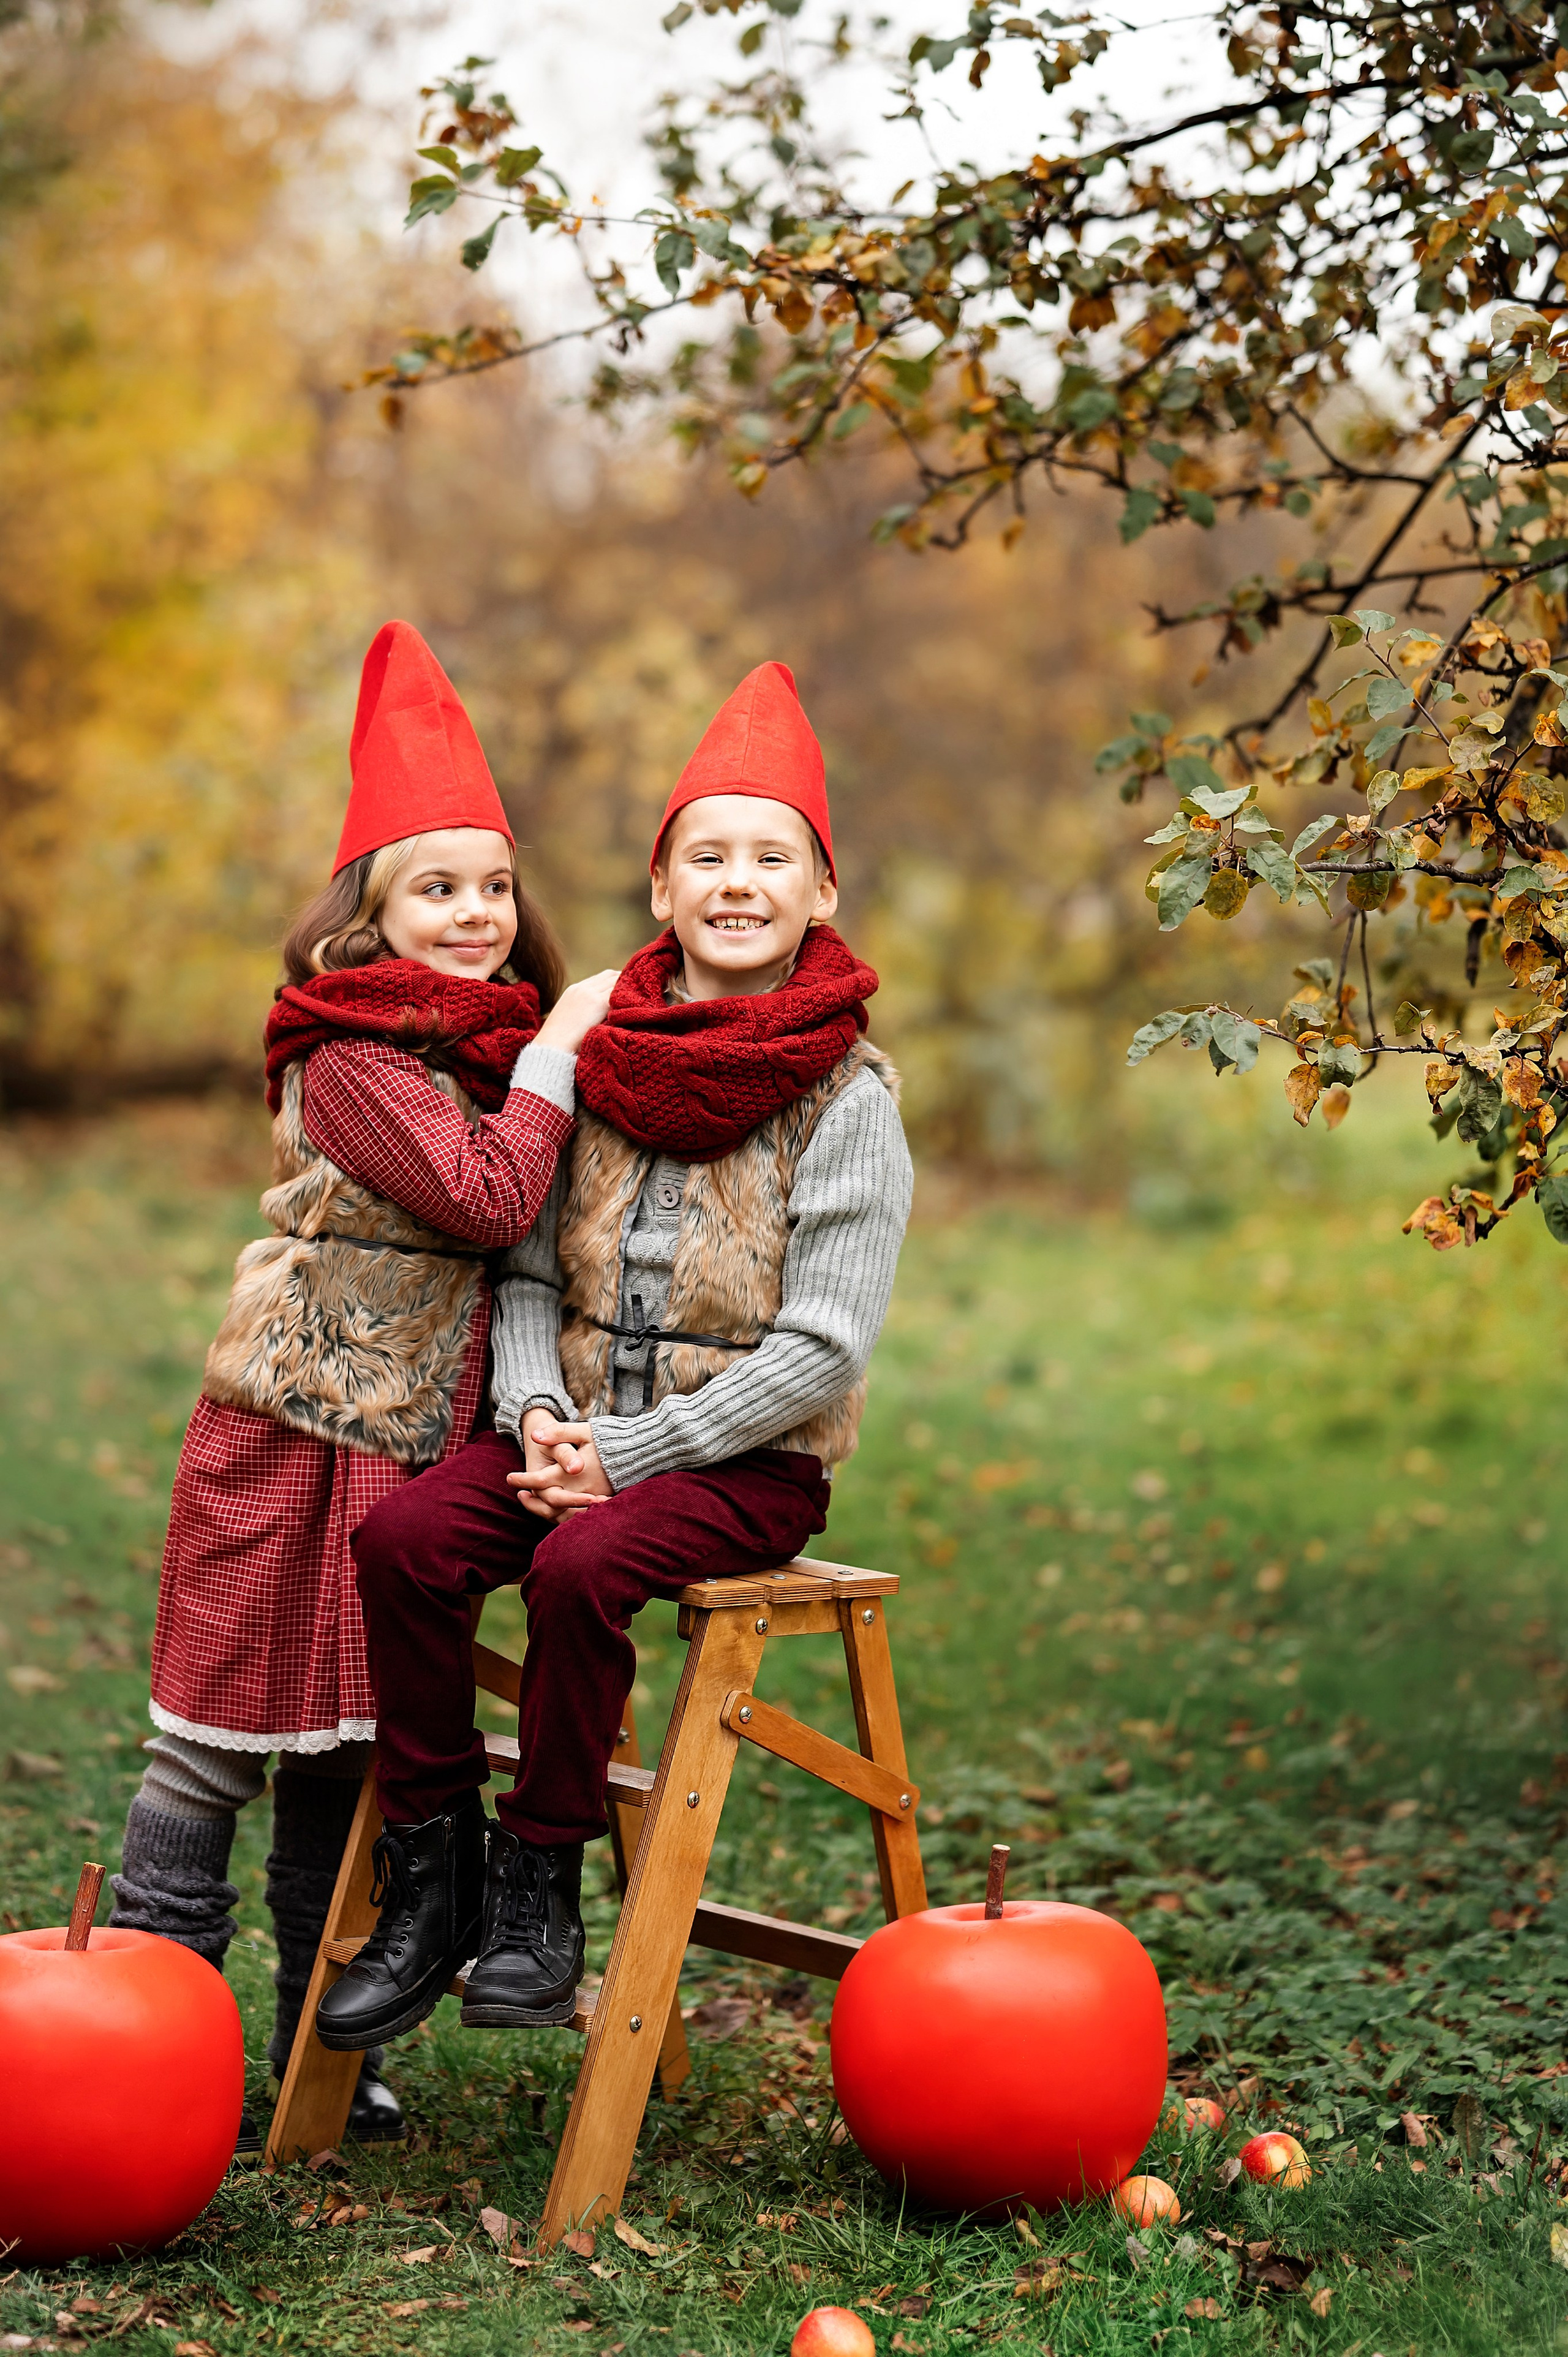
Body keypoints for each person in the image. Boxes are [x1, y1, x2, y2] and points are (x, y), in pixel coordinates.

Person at [318, 659, 912, 2049]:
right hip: (561, 1430)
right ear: (659, 888)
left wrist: (624, 1457)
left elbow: (822, 1345)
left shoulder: (847, 1097)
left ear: (821, 895)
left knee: (585, 1567)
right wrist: (536, 1417)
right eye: (705, 853)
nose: (737, 880)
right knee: (405, 1542)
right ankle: (435, 1865)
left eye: (773, 856)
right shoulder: (591, 1057)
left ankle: (540, 1884)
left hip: (740, 1461)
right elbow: (524, 1263)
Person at [110, 621, 616, 2147]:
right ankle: (146, 2035)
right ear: (365, 921)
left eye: (491, 888)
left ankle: (314, 2058)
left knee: (346, 1750)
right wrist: (562, 1059)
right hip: (296, 1430)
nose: (473, 916)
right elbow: (482, 1195)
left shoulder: (494, 1039)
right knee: (216, 1741)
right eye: (435, 890)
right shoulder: (351, 1053)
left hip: (416, 1447)